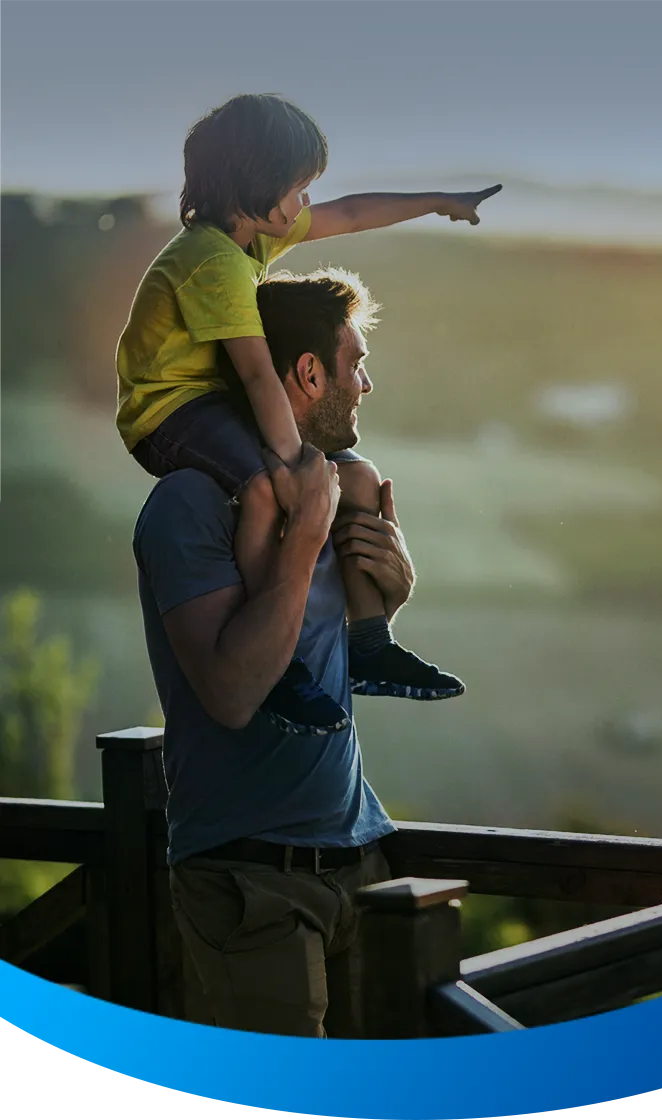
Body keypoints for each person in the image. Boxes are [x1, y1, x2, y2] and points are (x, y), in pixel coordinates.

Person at [119, 93, 500, 735]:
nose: (306, 202)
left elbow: (350, 213)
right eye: (298, 189)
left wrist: (440, 200)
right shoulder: (212, 262)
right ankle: (280, 662)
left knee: (355, 477)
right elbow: (257, 375)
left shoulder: (248, 240)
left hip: (211, 399)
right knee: (267, 485)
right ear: (256, 185)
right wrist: (297, 466)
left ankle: (370, 644)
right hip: (168, 412)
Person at [133, 267, 423, 1038]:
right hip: (251, 880)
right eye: (355, 363)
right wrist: (303, 539)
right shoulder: (189, 504)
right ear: (308, 373)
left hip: (360, 860)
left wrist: (390, 599)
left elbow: (322, 657)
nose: (365, 384)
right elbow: (233, 692)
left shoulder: (332, 486)